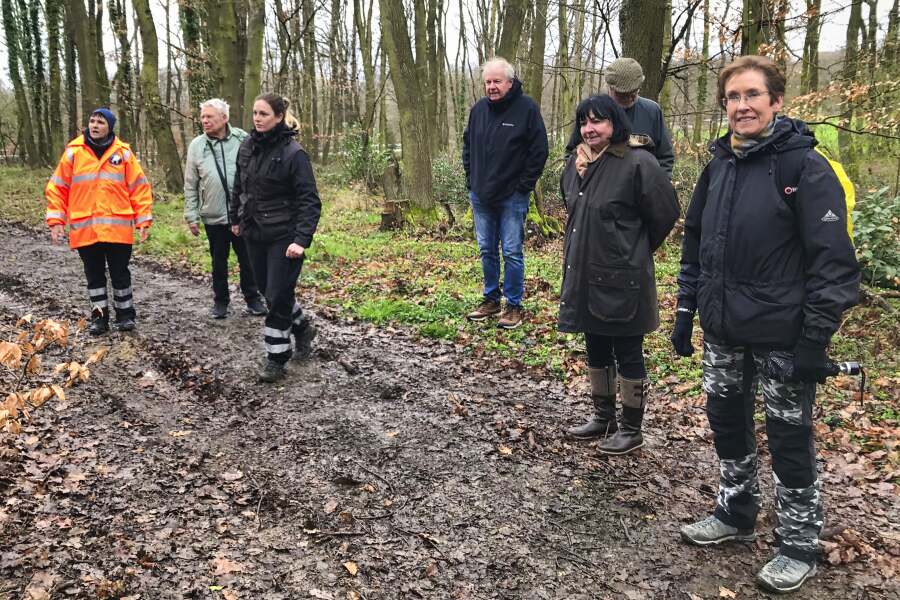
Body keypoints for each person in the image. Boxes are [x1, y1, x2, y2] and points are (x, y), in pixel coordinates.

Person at [672, 55, 859, 594]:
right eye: (733, 97)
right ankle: (735, 513)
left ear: (776, 101)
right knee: (727, 422)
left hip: (784, 334)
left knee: (789, 436)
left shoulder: (805, 168)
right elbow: (695, 243)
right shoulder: (718, 165)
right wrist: (687, 310)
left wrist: (815, 338)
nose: (742, 106)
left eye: (753, 95)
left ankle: (798, 541)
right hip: (723, 328)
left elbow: (833, 263)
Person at [559, 95, 678, 454]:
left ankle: (631, 427)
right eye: (584, 122)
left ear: (616, 125)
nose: (589, 129)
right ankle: (602, 416)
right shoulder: (576, 164)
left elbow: (665, 213)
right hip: (586, 273)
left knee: (628, 350)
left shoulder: (638, 162)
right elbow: (575, 211)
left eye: (598, 121)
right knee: (595, 344)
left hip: (624, 278)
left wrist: (633, 250)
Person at [229, 93, 321, 383]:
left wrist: (301, 240)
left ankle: (276, 358)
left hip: (285, 236)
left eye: (264, 114)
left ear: (279, 117)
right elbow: (238, 186)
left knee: (277, 296)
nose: (257, 118)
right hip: (254, 232)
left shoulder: (294, 154)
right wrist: (235, 218)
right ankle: (303, 327)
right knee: (271, 292)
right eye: (255, 113)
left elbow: (310, 201)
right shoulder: (246, 147)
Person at [45, 108, 153, 335]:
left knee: (120, 273)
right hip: (86, 229)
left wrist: (143, 220)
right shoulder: (74, 152)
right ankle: (99, 318)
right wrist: (56, 220)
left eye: (100, 122)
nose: (94, 125)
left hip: (118, 228)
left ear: (110, 127)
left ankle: (125, 316)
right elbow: (57, 187)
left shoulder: (123, 154)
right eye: (92, 121)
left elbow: (139, 188)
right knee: (94, 275)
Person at [462, 57, 549, 329]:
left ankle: (513, 305)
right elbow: (467, 146)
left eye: (497, 81)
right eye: (487, 82)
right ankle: (490, 299)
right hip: (481, 195)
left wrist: (523, 186)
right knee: (487, 249)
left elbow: (539, 151)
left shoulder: (527, 109)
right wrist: (470, 179)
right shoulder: (478, 111)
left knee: (511, 251)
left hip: (512, 196)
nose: (491, 87)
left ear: (510, 82)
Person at [184, 98, 267, 319]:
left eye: (209, 116)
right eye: (202, 117)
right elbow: (191, 183)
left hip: (242, 214)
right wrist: (191, 215)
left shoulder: (243, 138)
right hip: (213, 214)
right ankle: (221, 302)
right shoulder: (197, 145)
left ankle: (253, 299)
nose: (204, 121)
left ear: (224, 118)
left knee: (247, 260)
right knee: (218, 261)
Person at [604, 57, 674, 178]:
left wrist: (660, 186)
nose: (631, 98)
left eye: (635, 92)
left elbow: (665, 157)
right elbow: (573, 155)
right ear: (610, 88)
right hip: (601, 191)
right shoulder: (593, 112)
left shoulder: (652, 111)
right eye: (624, 95)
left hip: (643, 191)